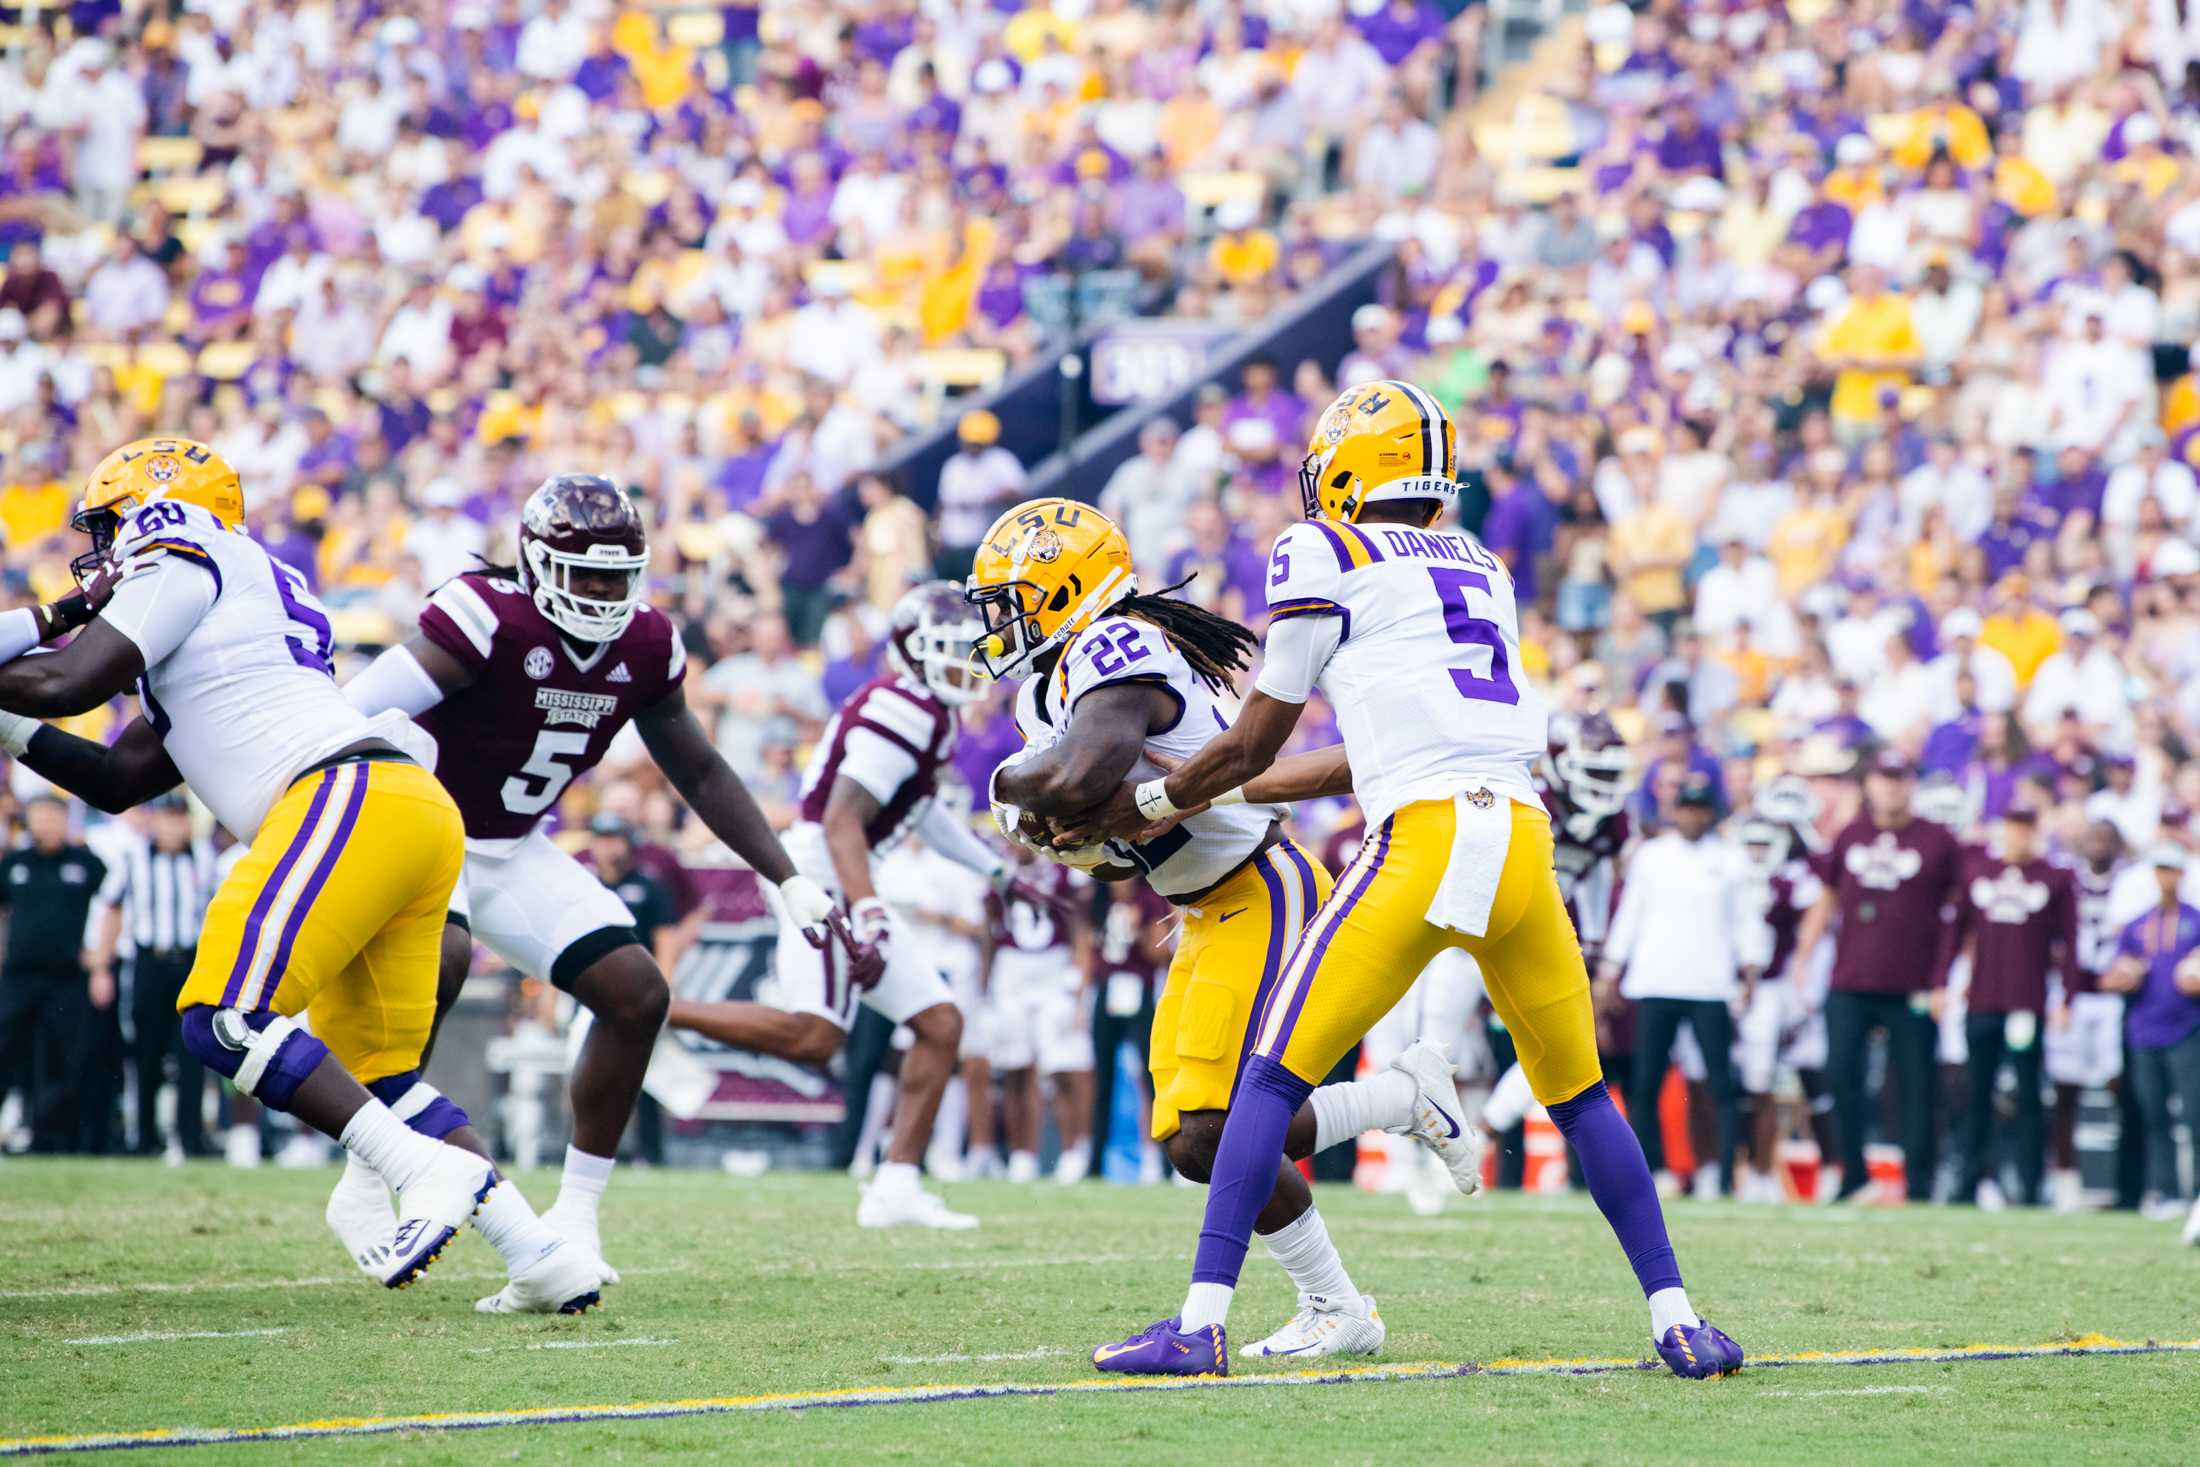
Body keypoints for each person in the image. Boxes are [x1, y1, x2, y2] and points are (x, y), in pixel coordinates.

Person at [1075, 381, 1741, 1378]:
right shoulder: (1480, 562)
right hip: (1518, 835)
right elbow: (1364, 755)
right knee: (1584, 1094)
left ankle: (1201, 1322)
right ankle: (1678, 1319)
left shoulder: (1322, 550)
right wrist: (1214, 791)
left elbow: (1260, 733)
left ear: (1352, 466)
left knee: (1267, 1075)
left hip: (1421, 839)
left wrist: (1166, 803)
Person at [0, 437, 593, 1309]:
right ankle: (539, 1252)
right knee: (379, 1078)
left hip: (342, 797)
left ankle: (424, 1173)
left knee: (222, 1017)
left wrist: (52, 623)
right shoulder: (228, 615)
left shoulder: (181, 543)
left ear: (148, 509)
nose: (96, 550)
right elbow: (117, 778)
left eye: (104, 526)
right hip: (402, 809)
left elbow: (68, 684)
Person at [334, 474, 854, 1297]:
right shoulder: (485, 615)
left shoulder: (646, 643)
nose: (607, 595)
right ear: (537, 566)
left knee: (636, 991)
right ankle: (371, 1169)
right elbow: (353, 705)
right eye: (589, 577)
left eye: (621, 576)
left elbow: (702, 769)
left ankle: (577, 1214)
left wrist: (785, 877)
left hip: (513, 844)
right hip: (427, 826)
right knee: (444, 961)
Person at [974, 496, 1467, 1362]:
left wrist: (1011, 788)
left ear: (1065, 590)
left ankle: (1290, 1302)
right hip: (1202, 909)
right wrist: (1077, 839)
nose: (1001, 621)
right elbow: (1118, 841)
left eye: (1015, 596)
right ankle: (1392, 1131)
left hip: (1261, 887)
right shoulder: (1053, 686)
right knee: (1189, 1139)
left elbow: (1079, 767)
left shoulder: (1113, 644)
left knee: (1215, 1123)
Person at [663, 582, 1010, 1229]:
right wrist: (869, 907)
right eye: (954, 649)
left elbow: (922, 809)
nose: (970, 660)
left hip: (839, 868)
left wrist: (993, 865)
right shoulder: (904, 709)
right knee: (815, 1035)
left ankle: (897, 1184)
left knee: (939, 1022)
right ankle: (652, 1010)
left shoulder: (928, 708)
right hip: (819, 869)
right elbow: (843, 822)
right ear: (915, 652)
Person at [1792, 748, 1965, 1202]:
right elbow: (1826, 895)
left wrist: (1947, 978)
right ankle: (1853, 1175)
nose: (1890, 787)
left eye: (1898, 778)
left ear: (1911, 784)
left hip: (1914, 982)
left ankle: (1921, 1182)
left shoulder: (1938, 840)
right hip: (1850, 978)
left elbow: (1959, 912)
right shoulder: (1852, 835)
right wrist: (1804, 955)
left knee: (1916, 1083)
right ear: (1869, 785)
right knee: (1841, 1075)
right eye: (1882, 778)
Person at [1600, 771, 1766, 1199]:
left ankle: (1726, 1175)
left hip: (1710, 983)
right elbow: (1630, 915)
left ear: (1711, 813)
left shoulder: (1730, 859)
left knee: (1721, 1084)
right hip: (1656, 979)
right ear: (1676, 811)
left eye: (1700, 809)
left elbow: (1745, 919)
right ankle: (1652, 1172)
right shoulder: (1652, 856)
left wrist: (1749, 971)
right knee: (1646, 1084)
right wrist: (1611, 971)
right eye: (1687, 808)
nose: (1693, 816)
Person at [1943, 805, 2077, 1208]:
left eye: (2025, 828)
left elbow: (2070, 944)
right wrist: (1939, 982)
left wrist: (2066, 998)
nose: (2019, 836)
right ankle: (1968, 1180)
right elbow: (1955, 929)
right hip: (1983, 1000)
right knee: (1976, 1093)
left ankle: (2031, 1183)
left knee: (2029, 1096)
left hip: (2026, 1003)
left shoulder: (2055, 877)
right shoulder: (1978, 871)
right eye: (2013, 827)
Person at [85, 792, 216, 1158]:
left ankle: (190, 1138)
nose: (174, 826)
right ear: (153, 821)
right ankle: (142, 1138)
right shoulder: (134, 858)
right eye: (167, 818)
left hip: (190, 962)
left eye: (180, 818)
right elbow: (111, 910)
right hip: (148, 962)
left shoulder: (205, 860)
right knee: (145, 1051)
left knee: (193, 1050)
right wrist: (101, 967)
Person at [2099, 842, 2200, 1238]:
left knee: (2193, 1115)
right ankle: (2168, 1191)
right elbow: (2109, 976)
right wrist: (2124, 977)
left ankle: (2195, 1195)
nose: (2166, 877)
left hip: (2187, 1028)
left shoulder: (2196, 920)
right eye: (2160, 869)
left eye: (2172, 869)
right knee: (2153, 1114)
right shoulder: (2136, 924)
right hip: (2144, 1028)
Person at [0, 796, 108, 1153]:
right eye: (40, 816)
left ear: (66, 822)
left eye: (53, 816)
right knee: (6, 1049)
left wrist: (99, 961)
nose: (46, 824)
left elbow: (113, 906)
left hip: (67, 977)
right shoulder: (14, 864)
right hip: (18, 975)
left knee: (62, 1059)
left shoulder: (87, 864)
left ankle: (51, 1140)